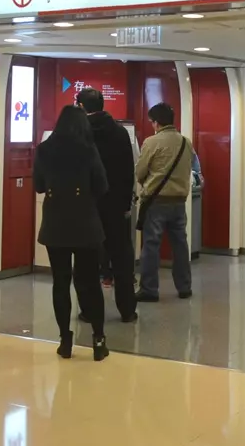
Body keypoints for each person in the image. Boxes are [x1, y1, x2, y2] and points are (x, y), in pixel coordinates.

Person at [34, 105, 110, 361]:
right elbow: (102, 185)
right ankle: (98, 341)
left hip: (55, 224)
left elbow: (39, 186)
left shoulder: (44, 149)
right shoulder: (88, 150)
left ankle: (65, 341)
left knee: (60, 282)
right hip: (85, 223)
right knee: (90, 283)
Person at [76, 88, 138, 322]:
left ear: (81, 106)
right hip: (115, 206)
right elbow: (128, 171)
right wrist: (125, 203)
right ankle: (127, 310)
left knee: (86, 261)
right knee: (121, 259)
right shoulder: (120, 133)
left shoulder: (79, 134)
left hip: (88, 207)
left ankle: (89, 310)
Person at [136, 103, 194, 302]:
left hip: (156, 202)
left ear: (156, 122)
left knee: (151, 245)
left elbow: (140, 172)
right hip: (179, 202)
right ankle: (184, 287)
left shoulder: (151, 142)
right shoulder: (186, 142)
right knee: (180, 244)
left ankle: (149, 289)